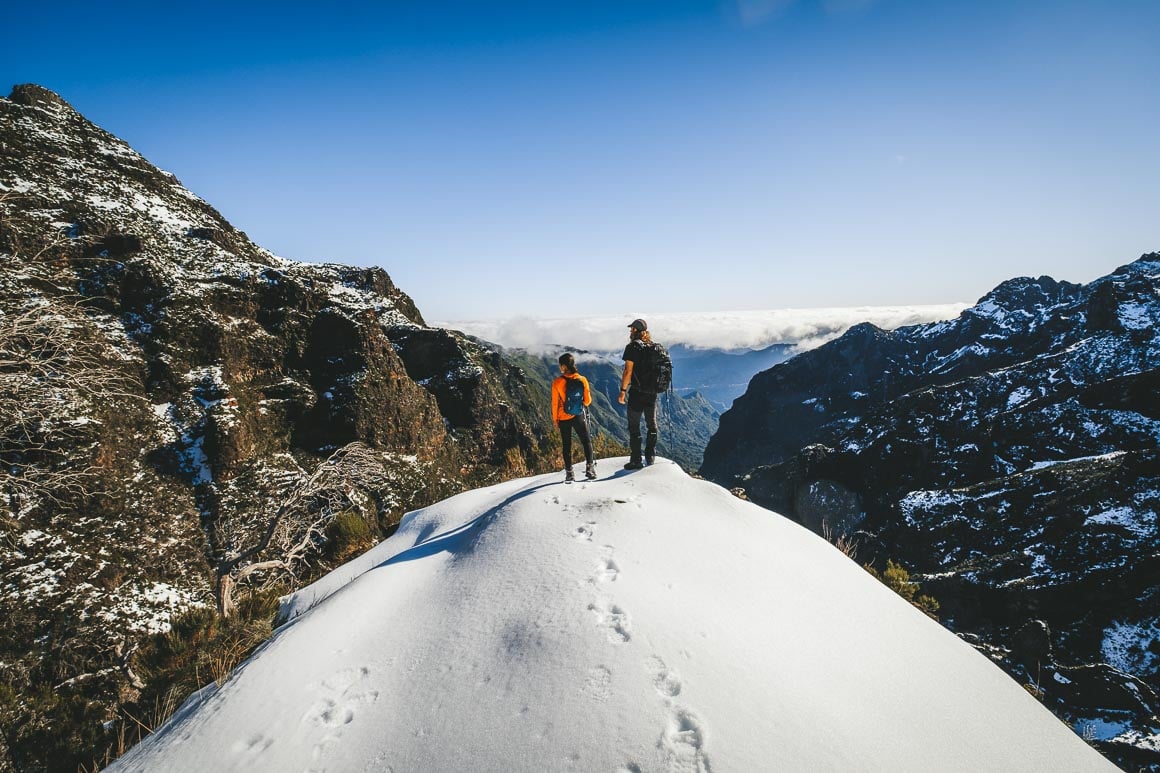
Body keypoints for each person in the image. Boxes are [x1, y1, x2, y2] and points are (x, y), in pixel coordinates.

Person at [618, 318, 659, 469]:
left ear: (635, 330)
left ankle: (636, 460)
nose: (630, 331)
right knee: (652, 424)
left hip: (637, 392)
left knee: (634, 425)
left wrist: (623, 391)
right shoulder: (653, 346)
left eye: (632, 329)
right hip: (652, 393)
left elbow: (628, 371)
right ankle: (650, 455)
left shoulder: (632, 347)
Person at [552, 352, 596, 482]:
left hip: (563, 417)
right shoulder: (582, 379)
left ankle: (570, 473)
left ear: (564, 366)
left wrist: (555, 420)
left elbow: (555, 403)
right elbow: (587, 401)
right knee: (586, 441)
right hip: (578, 415)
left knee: (567, 445)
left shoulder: (557, 382)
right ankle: (590, 469)